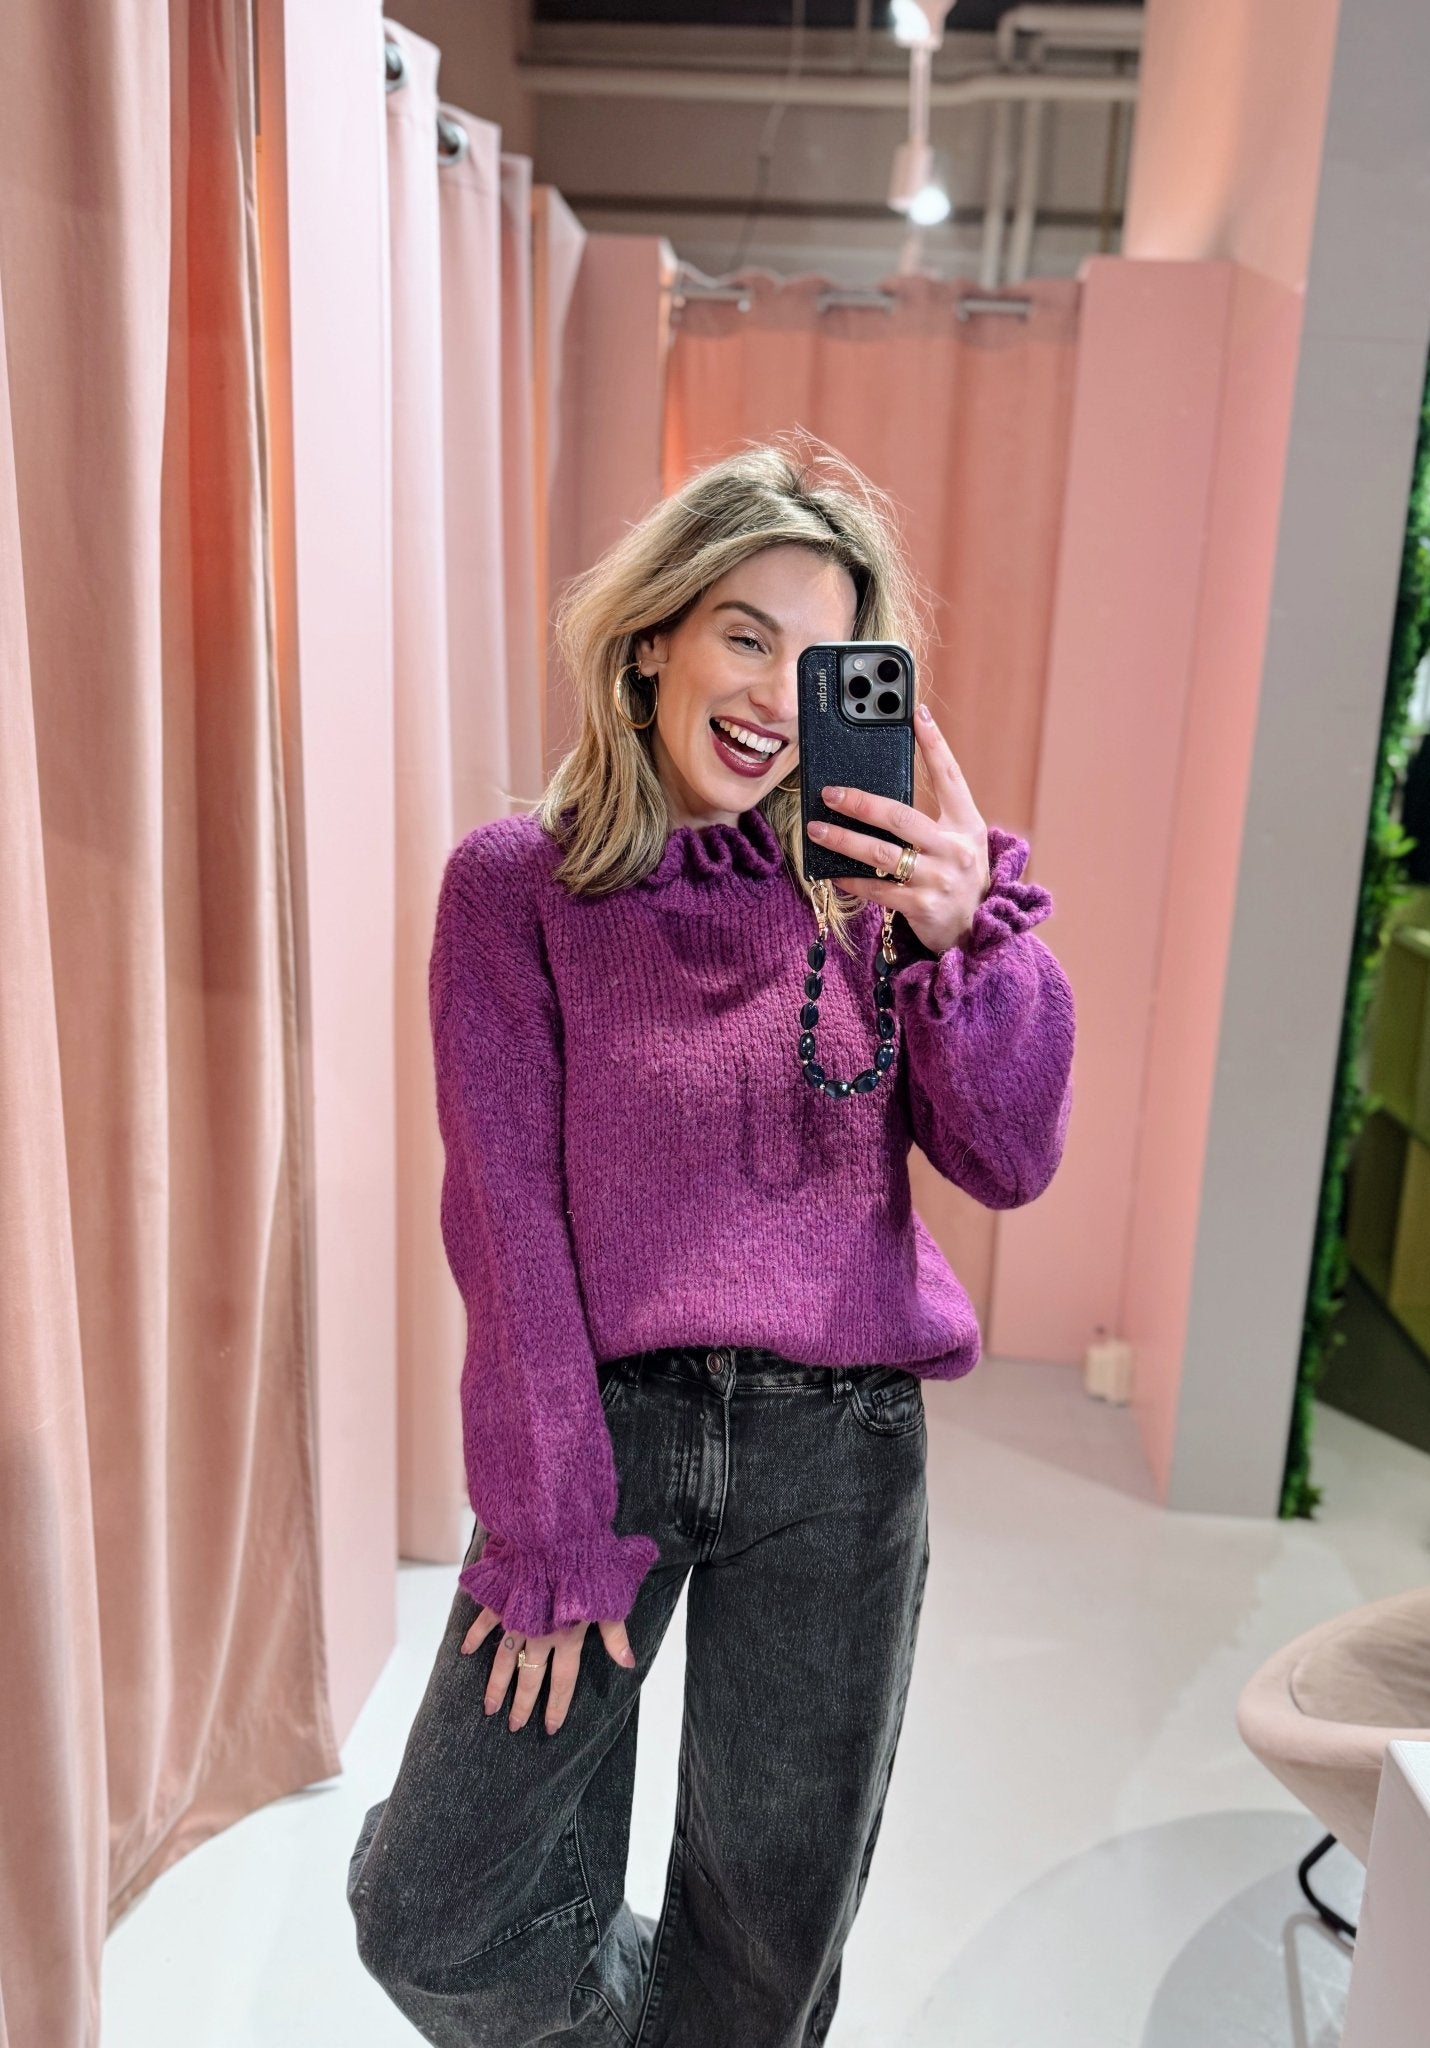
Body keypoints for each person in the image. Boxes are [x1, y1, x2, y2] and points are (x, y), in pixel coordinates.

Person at [345, 434, 1077, 2046]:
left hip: (843, 1458)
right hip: (608, 1443)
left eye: (821, 664)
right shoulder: (517, 888)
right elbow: (507, 1228)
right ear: (653, 638)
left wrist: (969, 937)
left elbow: (1010, 1158)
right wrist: (548, 1525)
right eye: (745, 634)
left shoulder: (874, 894)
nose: (773, 696)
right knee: (435, 1911)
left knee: (762, 1963)